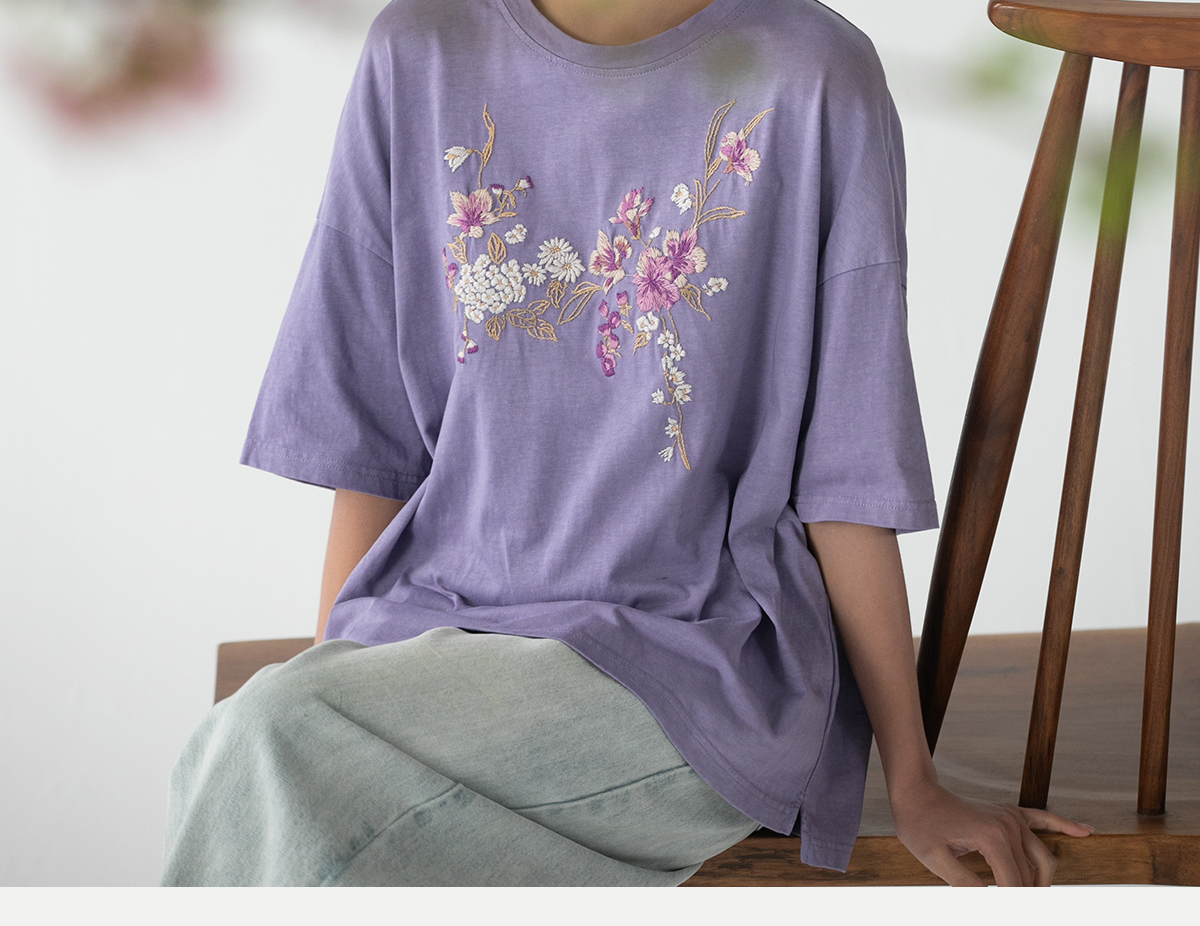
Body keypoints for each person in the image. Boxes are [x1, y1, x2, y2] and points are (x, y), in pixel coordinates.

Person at [161, 0, 1092, 886]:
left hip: (695, 666)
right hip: (438, 626)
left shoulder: (813, 73)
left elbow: (847, 475)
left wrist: (913, 778)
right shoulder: (418, 49)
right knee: (256, 748)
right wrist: (335, 681)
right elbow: (371, 445)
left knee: (264, 748)